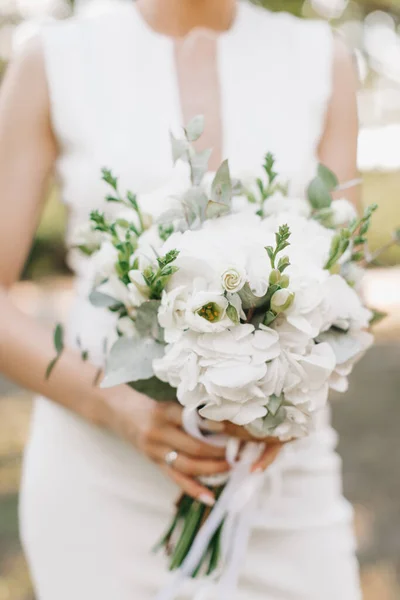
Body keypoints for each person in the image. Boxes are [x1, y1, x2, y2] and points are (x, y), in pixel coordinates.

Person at [0, 0, 362, 598]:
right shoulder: (53, 59)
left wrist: (286, 395)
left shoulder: (322, 59)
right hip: (100, 479)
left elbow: (337, 273)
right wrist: (112, 405)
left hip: (276, 477)